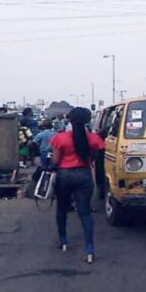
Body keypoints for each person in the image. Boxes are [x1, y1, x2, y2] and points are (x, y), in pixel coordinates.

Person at [51, 107, 105, 263]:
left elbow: (55, 161)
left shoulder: (60, 138)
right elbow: (97, 156)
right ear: (88, 120)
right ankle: (89, 249)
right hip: (84, 175)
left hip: (64, 175)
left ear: (69, 120)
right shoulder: (94, 138)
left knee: (62, 209)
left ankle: (63, 241)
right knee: (85, 213)